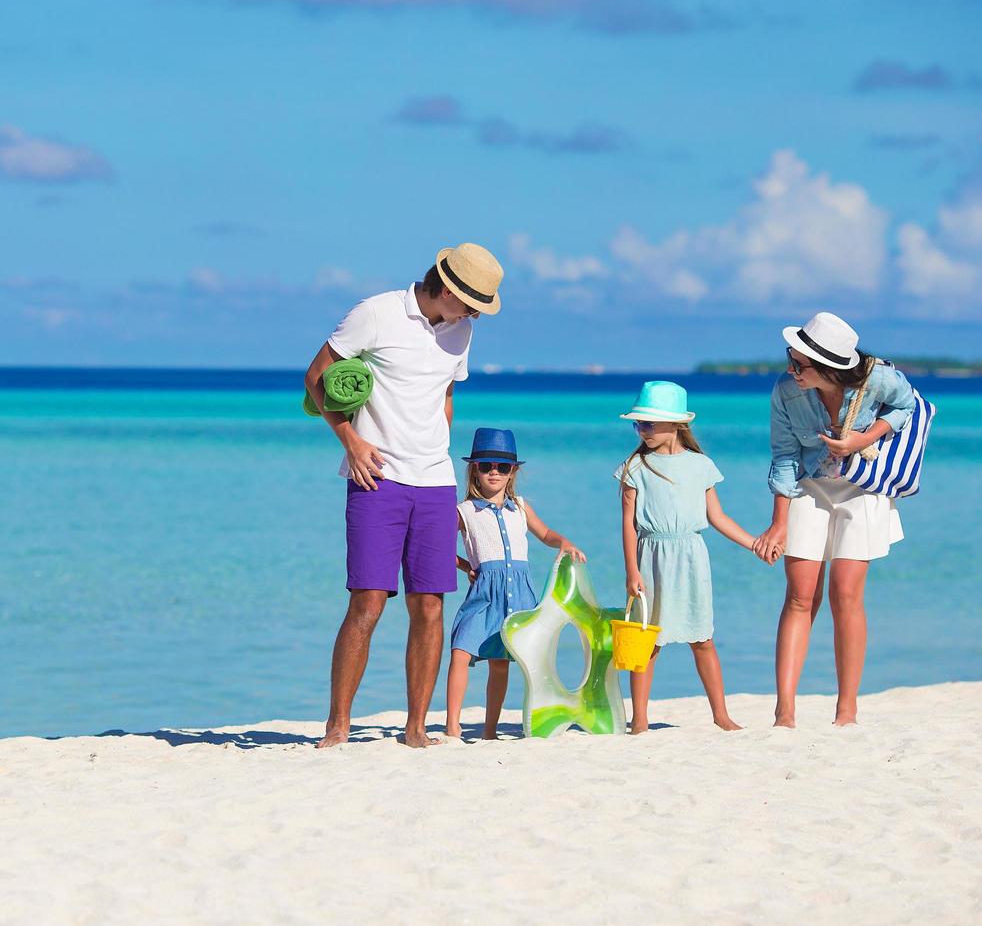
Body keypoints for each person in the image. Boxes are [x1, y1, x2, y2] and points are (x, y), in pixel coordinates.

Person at [305, 243, 505, 749]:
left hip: (435, 483)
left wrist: (439, 447)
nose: (475, 313)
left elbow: (445, 393)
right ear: (445, 288)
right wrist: (351, 440)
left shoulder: (463, 330)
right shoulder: (376, 313)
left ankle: (416, 728)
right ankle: (338, 726)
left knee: (430, 606)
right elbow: (315, 380)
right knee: (368, 603)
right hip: (377, 479)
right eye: (471, 303)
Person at [752, 312, 916, 728]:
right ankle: (784, 711)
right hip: (810, 485)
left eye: (799, 364)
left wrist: (865, 437)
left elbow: (907, 404)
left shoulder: (878, 379)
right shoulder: (786, 391)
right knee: (800, 595)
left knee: (846, 595)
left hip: (862, 487)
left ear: (828, 368)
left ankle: (847, 710)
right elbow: (784, 455)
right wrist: (778, 522)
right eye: (790, 359)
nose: (791, 370)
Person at [616, 381, 773, 735]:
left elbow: (717, 517)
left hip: (691, 558)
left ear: (675, 425)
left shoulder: (700, 465)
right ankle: (639, 720)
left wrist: (754, 544)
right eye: (638, 424)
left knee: (702, 637)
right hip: (650, 557)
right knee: (647, 640)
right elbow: (627, 523)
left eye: (648, 424)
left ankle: (721, 714)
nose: (642, 431)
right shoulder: (634, 467)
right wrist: (631, 571)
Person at [445, 428, 585, 741]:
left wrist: (564, 543)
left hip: (519, 595)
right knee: (460, 651)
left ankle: (490, 730)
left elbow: (546, 534)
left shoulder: (520, 507)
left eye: (502, 467)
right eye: (486, 466)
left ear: (513, 472)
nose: (494, 472)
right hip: (483, 594)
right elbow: (438, 546)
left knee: (501, 662)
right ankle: (453, 725)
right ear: (474, 470)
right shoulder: (464, 511)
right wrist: (467, 566)